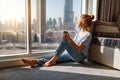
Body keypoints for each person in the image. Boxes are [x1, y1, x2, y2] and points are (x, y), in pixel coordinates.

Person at [22, 14, 94, 67]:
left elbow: (78, 48)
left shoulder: (88, 35)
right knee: (55, 56)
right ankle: (35, 61)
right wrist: (68, 38)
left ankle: (52, 61)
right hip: (73, 55)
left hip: (80, 57)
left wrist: (69, 40)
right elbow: (73, 44)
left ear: (83, 22)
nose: (78, 21)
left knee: (63, 45)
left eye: (79, 20)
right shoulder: (80, 32)